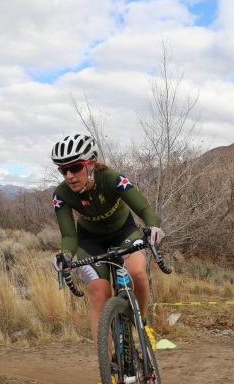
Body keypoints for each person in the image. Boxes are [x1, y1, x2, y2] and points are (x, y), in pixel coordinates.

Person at [51, 133, 164, 343]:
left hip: (124, 233)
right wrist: (64, 255)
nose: (69, 176)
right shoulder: (61, 194)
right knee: (98, 293)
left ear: (91, 163)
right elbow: (68, 235)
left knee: (137, 272)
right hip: (90, 241)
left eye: (75, 167)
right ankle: (108, 369)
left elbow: (144, 208)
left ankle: (142, 321)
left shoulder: (112, 178)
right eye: (63, 170)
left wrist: (152, 226)